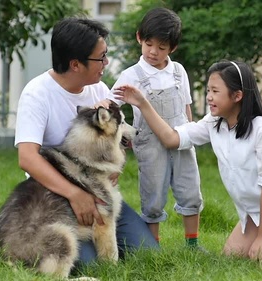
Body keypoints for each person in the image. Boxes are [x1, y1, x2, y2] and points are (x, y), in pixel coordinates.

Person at [114, 59, 262, 265]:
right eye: (208, 90)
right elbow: (171, 139)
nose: (209, 97)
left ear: (237, 96)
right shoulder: (214, 123)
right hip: (256, 209)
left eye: (215, 91)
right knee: (232, 257)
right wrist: (142, 103)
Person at [14, 17, 159, 269]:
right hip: (54, 200)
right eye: (100, 58)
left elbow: (112, 137)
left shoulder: (99, 89)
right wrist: (75, 194)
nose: (106, 63)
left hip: (101, 196)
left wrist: (113, 171)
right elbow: (27, 158)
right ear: (75, 64)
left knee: (147, 254)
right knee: (89, 265)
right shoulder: (37, 93)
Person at [110, 7, 204, 248]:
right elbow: (111, 106)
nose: (154, 52)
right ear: (139, 37)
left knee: (190, 188)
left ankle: (192, 243)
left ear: (172, 48)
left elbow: (186, 108)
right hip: (150, 145)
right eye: (149, 44)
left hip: (181, 139)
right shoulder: (131, 75)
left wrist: (190, 132)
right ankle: (154, 245)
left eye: (162, 48)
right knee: (152, 195)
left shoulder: (178, 71)